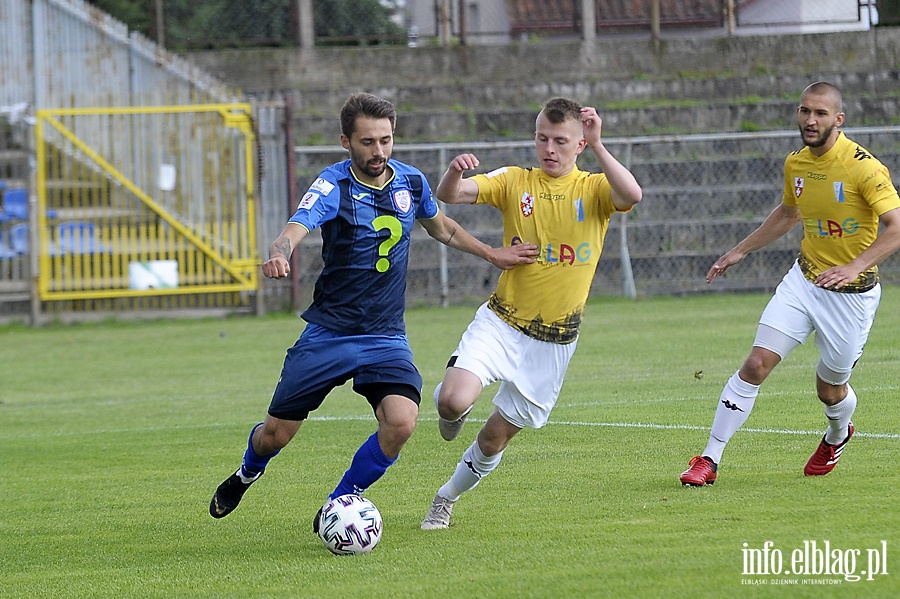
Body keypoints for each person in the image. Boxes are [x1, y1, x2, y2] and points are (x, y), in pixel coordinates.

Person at [209, 93, 538, 527]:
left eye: (385, 140)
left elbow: (444, 228)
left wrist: (491, 254)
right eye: (367, 142)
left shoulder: (411, 182)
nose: (378, 151)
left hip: (385, 335)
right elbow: (294, 229)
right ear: (346, 141)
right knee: (276, 435)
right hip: (330, 332)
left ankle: (342, 500)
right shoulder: (333, 185)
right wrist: (280, 252)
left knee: (402, 422)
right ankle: (248, 471)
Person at [420, 97, 643, 529]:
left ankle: (446, 497)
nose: (549, 149)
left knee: (492, 438)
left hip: (554, 343)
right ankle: (453, 413)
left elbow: (632, 194)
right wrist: (454, 171)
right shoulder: (514, 180)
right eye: (543, 138)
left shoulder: (594, 189)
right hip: (502, 321)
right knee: (451, 401)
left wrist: (599, 145)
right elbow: (449, 195)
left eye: (561, 141)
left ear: (579, 144)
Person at [680, 81, 900, 487]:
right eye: (804, 111)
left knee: (829, 390)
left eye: (819, 113)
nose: (810, 120)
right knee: (755, 364)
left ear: (839, 119)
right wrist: (740, 251)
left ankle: (837, 435)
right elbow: (788, 213)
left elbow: (896, 227)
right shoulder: (796, 164)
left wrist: (856, 265)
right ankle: (708, 459)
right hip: (804, 281)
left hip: (851, 298)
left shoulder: (863, 167)